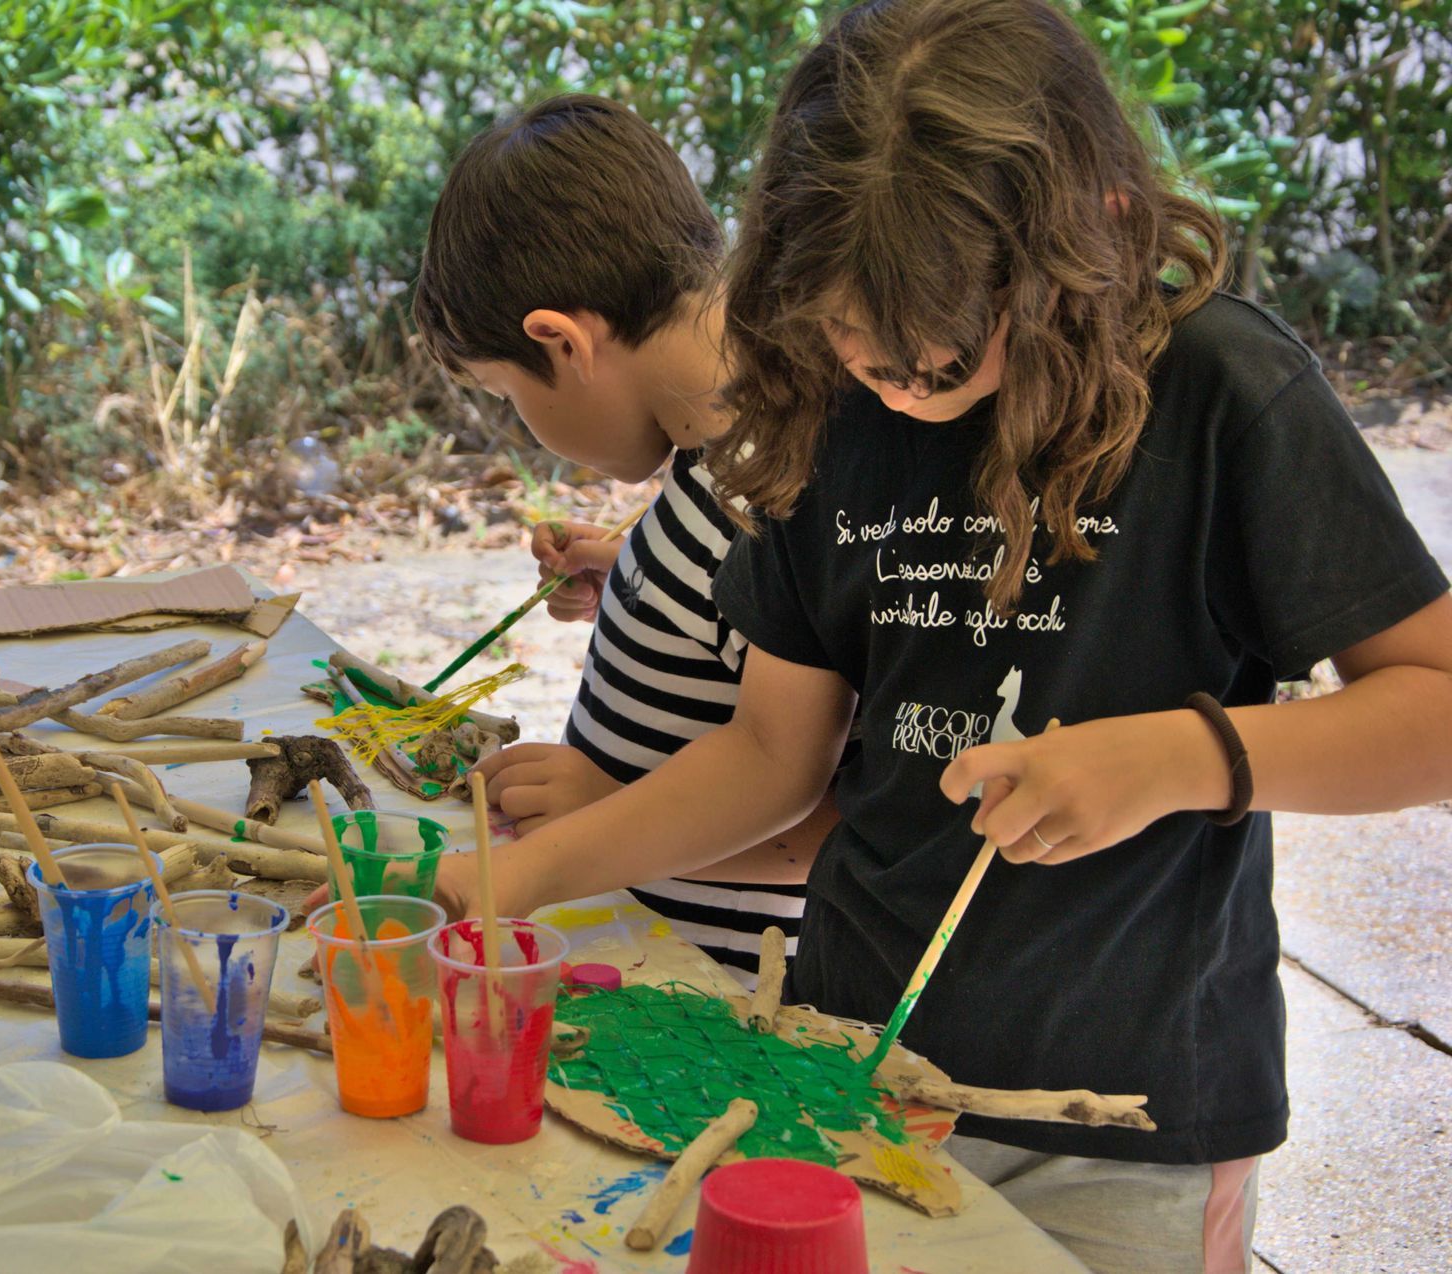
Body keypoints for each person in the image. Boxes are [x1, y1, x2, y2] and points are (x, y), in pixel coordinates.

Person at [431, 3, 1452, 1270]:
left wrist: (1184, 759)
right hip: (852, 1060)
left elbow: (1436, 703)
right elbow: (768, 755)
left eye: (933, 348)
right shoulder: (830, 399)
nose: (888, 379)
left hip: (1120, 1119)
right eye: (848, 337)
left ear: (1089, 238)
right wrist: (529, 875)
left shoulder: (1226, 398)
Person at [412, 94, 839, 986]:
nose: (518, 423)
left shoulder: (768, 493)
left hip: (719, 1002)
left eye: (503, 394)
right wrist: (632, 575)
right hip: (643, 944)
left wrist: (604, 810)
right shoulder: (721, 451)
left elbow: (822, 831)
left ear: (562, 344)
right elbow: (725, 629)